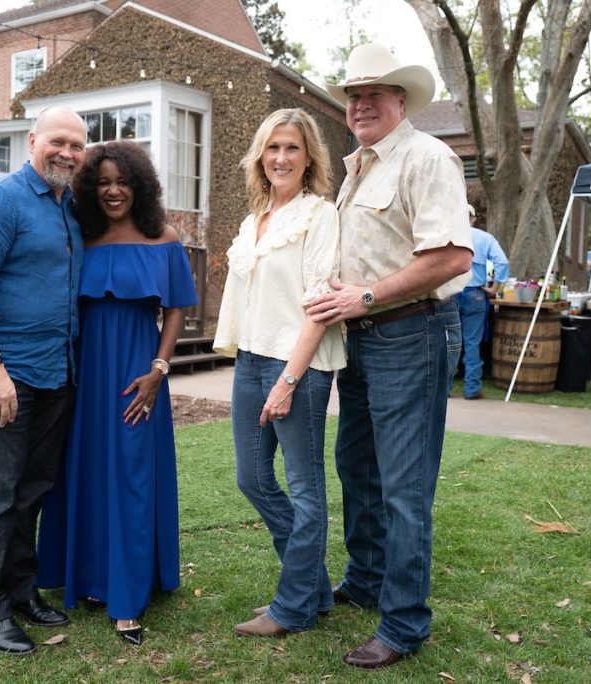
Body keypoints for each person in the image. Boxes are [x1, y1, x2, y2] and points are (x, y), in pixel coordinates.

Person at [305, 43, 473, 669]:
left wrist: (366, 295)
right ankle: (368, 578)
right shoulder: (360, 167)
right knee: (357, 468)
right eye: (353, 95)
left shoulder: (427, 158)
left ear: (402, 100)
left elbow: (453, 257)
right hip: (362, 338)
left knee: (404, 487)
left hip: (410, 332)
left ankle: (403, 623)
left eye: (374, 94)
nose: (360, 105)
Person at [35, 141, 197, 646]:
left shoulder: (162, 237)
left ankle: (128, 599)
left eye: (122, 181)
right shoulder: (81, 235)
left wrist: (159, 369)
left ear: (139, 186)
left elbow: (175, 309)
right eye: (102, 181)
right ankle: (91, 581)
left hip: (136, 374)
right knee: (84, 472)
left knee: (131, 475)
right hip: (84, 375)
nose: (112, 191)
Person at [0, 107, 88, 655]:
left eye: (78, 146)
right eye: (58, 142)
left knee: (33, 490)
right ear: (33, 141)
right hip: (4, 374)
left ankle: (23, 590)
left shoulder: (69, 207)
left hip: (57, 373)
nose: (68, 153)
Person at [212, 109, 345, 638]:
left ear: (309, 155)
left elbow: (320, 304)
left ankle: (293, 608)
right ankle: (314, 587)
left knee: (305, 487)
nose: (281, 158)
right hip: (251, 358)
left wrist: (289, 380)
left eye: (292, 148)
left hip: (298, 365)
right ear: (260, 156)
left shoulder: (320, 214)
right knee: (252, 478)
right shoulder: (254, 219)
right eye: (273, 148)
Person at [457, 204, 508, 399]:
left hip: (450, 294)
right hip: (475, 294)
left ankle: (443, 389)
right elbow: (502, 262)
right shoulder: (484, 238)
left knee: (447, 343)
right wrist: (495, 288)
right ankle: (471, 389)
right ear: (473, 218)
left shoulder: (446, 235)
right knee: (472, 343)